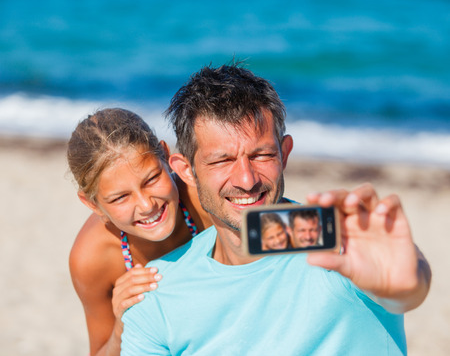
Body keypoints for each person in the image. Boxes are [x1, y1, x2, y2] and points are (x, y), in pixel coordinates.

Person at [120, 63, 432, 355]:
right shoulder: (158, 291)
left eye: (262, 155)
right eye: (222, 160)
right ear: (187, 171)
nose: (246, 179)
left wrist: (408, 283)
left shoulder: (338, 243)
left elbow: (403, 286)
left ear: (284, 154)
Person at [67, 108, 210, 356]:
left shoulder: (203, 201)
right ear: (93, 205)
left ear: (166, 157)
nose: (147, 205)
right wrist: (121, 325)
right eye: (121, 197)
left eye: (152, 178)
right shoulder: (92, 258)